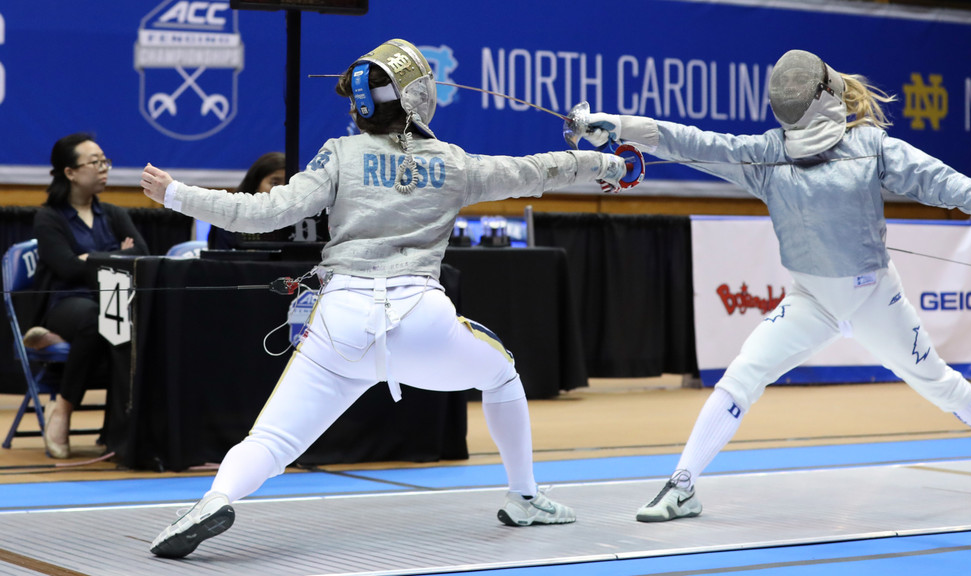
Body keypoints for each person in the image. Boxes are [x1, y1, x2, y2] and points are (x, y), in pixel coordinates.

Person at [140, 38, 626, 558]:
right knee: (501, 372)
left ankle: (215, 498)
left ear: (362, 109)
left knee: (274, 439)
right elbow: (537, 169)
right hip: (422, 320)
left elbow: (265, 212)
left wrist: (175, 194)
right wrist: (608, 165)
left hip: (341, 322)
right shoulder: (454, 163)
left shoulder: (340, 154)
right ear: (420, 98)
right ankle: (524, 497)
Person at [575, 49, 971, 522]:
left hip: (875, 297)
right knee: (741, 376)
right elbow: (694, 142)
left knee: (938, 383)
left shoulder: (870, 144)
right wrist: (620, 126)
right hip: (812, 301)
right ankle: (682, 485)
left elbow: (933, 177)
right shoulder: (768, 153)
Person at [33, 132, 150, 458]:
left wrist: (90, 258)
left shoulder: (113, 214)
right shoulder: (49, 218)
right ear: (70, 172)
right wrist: (116, 254)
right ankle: (63, 408)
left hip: (114, 299)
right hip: (67, 302)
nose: (103, 168)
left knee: (124, 321)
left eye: (105, 161)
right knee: (94, 319)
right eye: (94, 162)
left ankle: (120, 430)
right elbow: (68, 268)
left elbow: (141, 253)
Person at [205, 152, 288, 250]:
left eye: (289, 184)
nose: (282, 190)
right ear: (256, 184)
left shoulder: (301, 222)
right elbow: (218, 258)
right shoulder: (228, 218)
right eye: (275, 183)